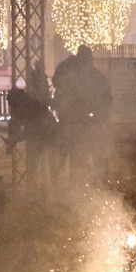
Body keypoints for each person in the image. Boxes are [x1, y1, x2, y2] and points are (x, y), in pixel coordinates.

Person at [51, 45, 113, 179]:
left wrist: (100, 113)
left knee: (95, 150)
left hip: (91, 121)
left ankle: (97, 179)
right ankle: (77, 181)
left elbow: (107, 97)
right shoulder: (68, 72)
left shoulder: (95, 76)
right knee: (77, 151)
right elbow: (59, 87)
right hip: (74, 121)